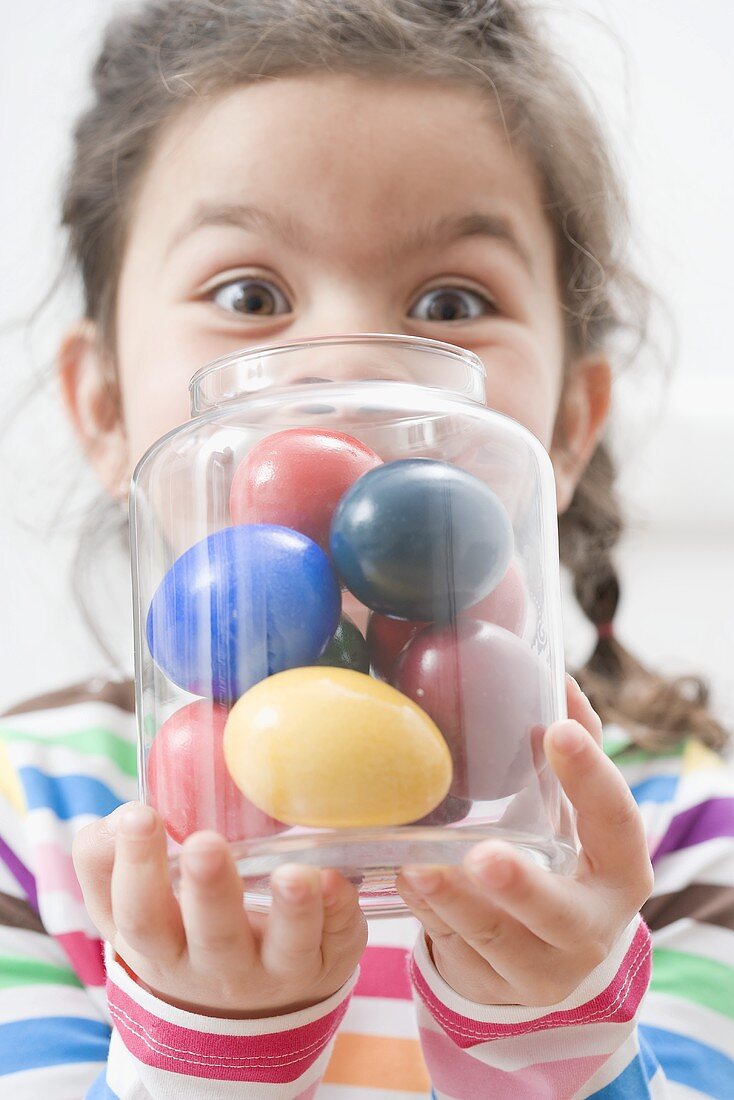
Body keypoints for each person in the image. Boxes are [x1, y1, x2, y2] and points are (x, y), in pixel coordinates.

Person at [1, 2, 732, 1096]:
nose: (344, 373)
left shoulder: (673, 826)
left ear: (570, 428)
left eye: (450, 300)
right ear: (104, 407)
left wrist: (550, 1022)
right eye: (249, 294)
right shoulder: (34, 815)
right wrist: (209, 1045)